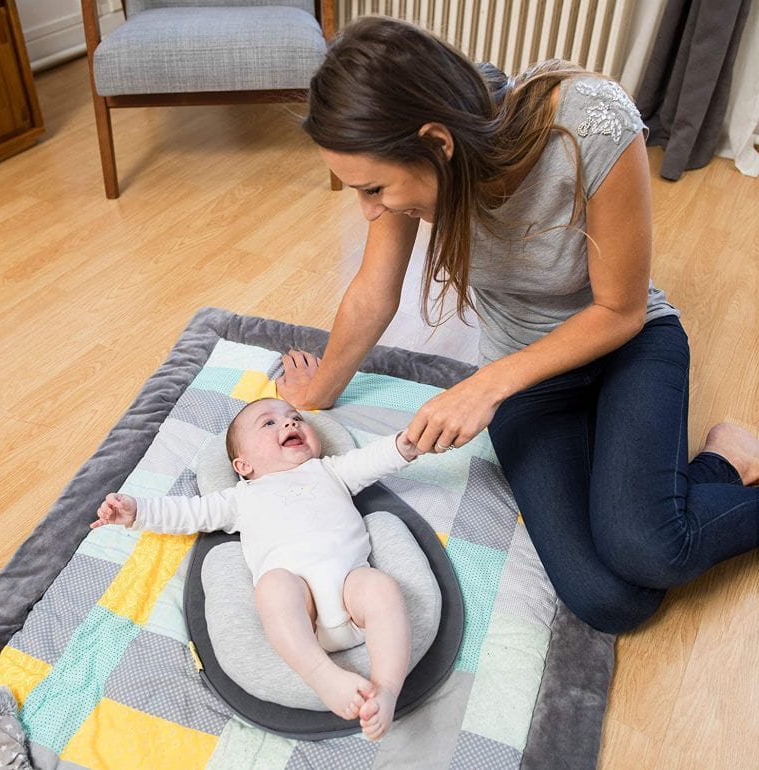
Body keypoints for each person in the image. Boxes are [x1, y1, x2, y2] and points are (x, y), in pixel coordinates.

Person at [277, 17, 759, 634]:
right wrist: (317, 393)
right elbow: (374, 292)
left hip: (627, 347)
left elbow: (621, 310)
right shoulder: (409, 157)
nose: (370, 210)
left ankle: (720, 460)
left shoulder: (590, 124)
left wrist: (486, 385)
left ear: (437, 143)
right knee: (613, 601)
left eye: (373, 189)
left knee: (649, 549)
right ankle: (712, 464)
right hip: (532, 376)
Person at [91, 397, 420, 740]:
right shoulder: (240, 498)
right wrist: (136, 512)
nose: (290, 424)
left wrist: (406, 445)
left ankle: (386, 689)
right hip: (301, 616)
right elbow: (188, 512)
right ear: (243, 465)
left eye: (295, 418)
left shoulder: (331, 470)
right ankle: (323, 676)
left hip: (353, 596)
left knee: (381, 587)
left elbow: (373, 460)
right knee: (274, 586)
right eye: (269, 423)